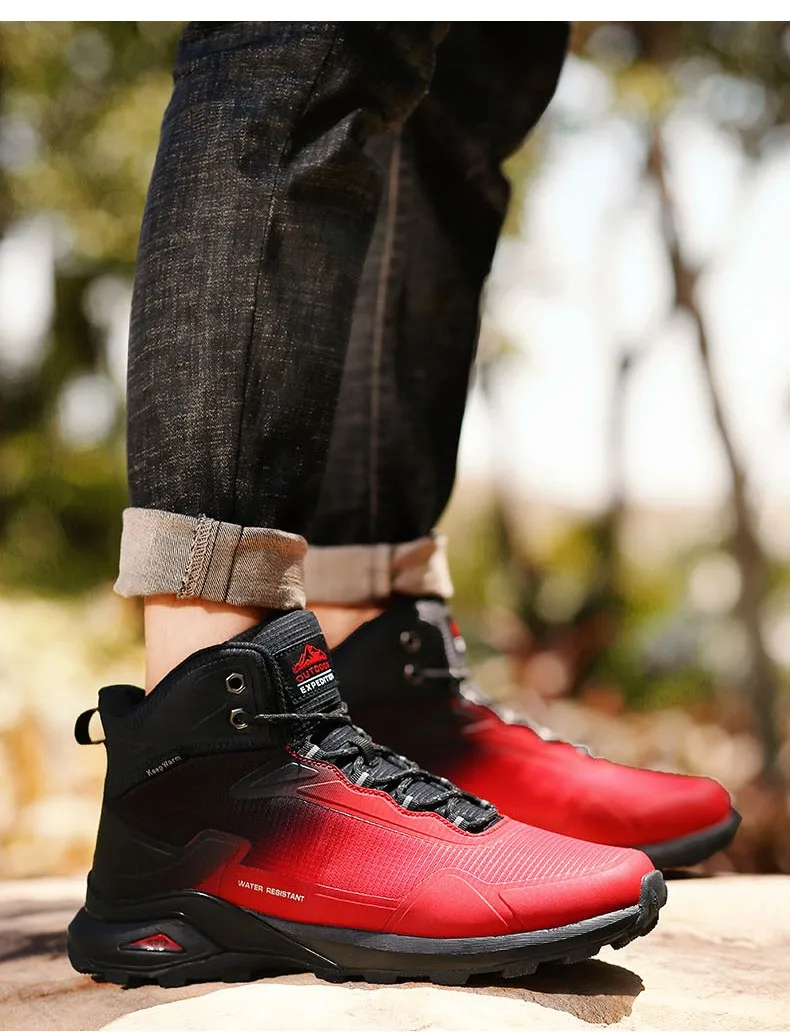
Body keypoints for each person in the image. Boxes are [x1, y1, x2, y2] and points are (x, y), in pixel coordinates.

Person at [67, 23, 735, 988]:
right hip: (223, 750)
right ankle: (220, 750)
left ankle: (376, 667)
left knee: (464, 89)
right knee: (303, 42)